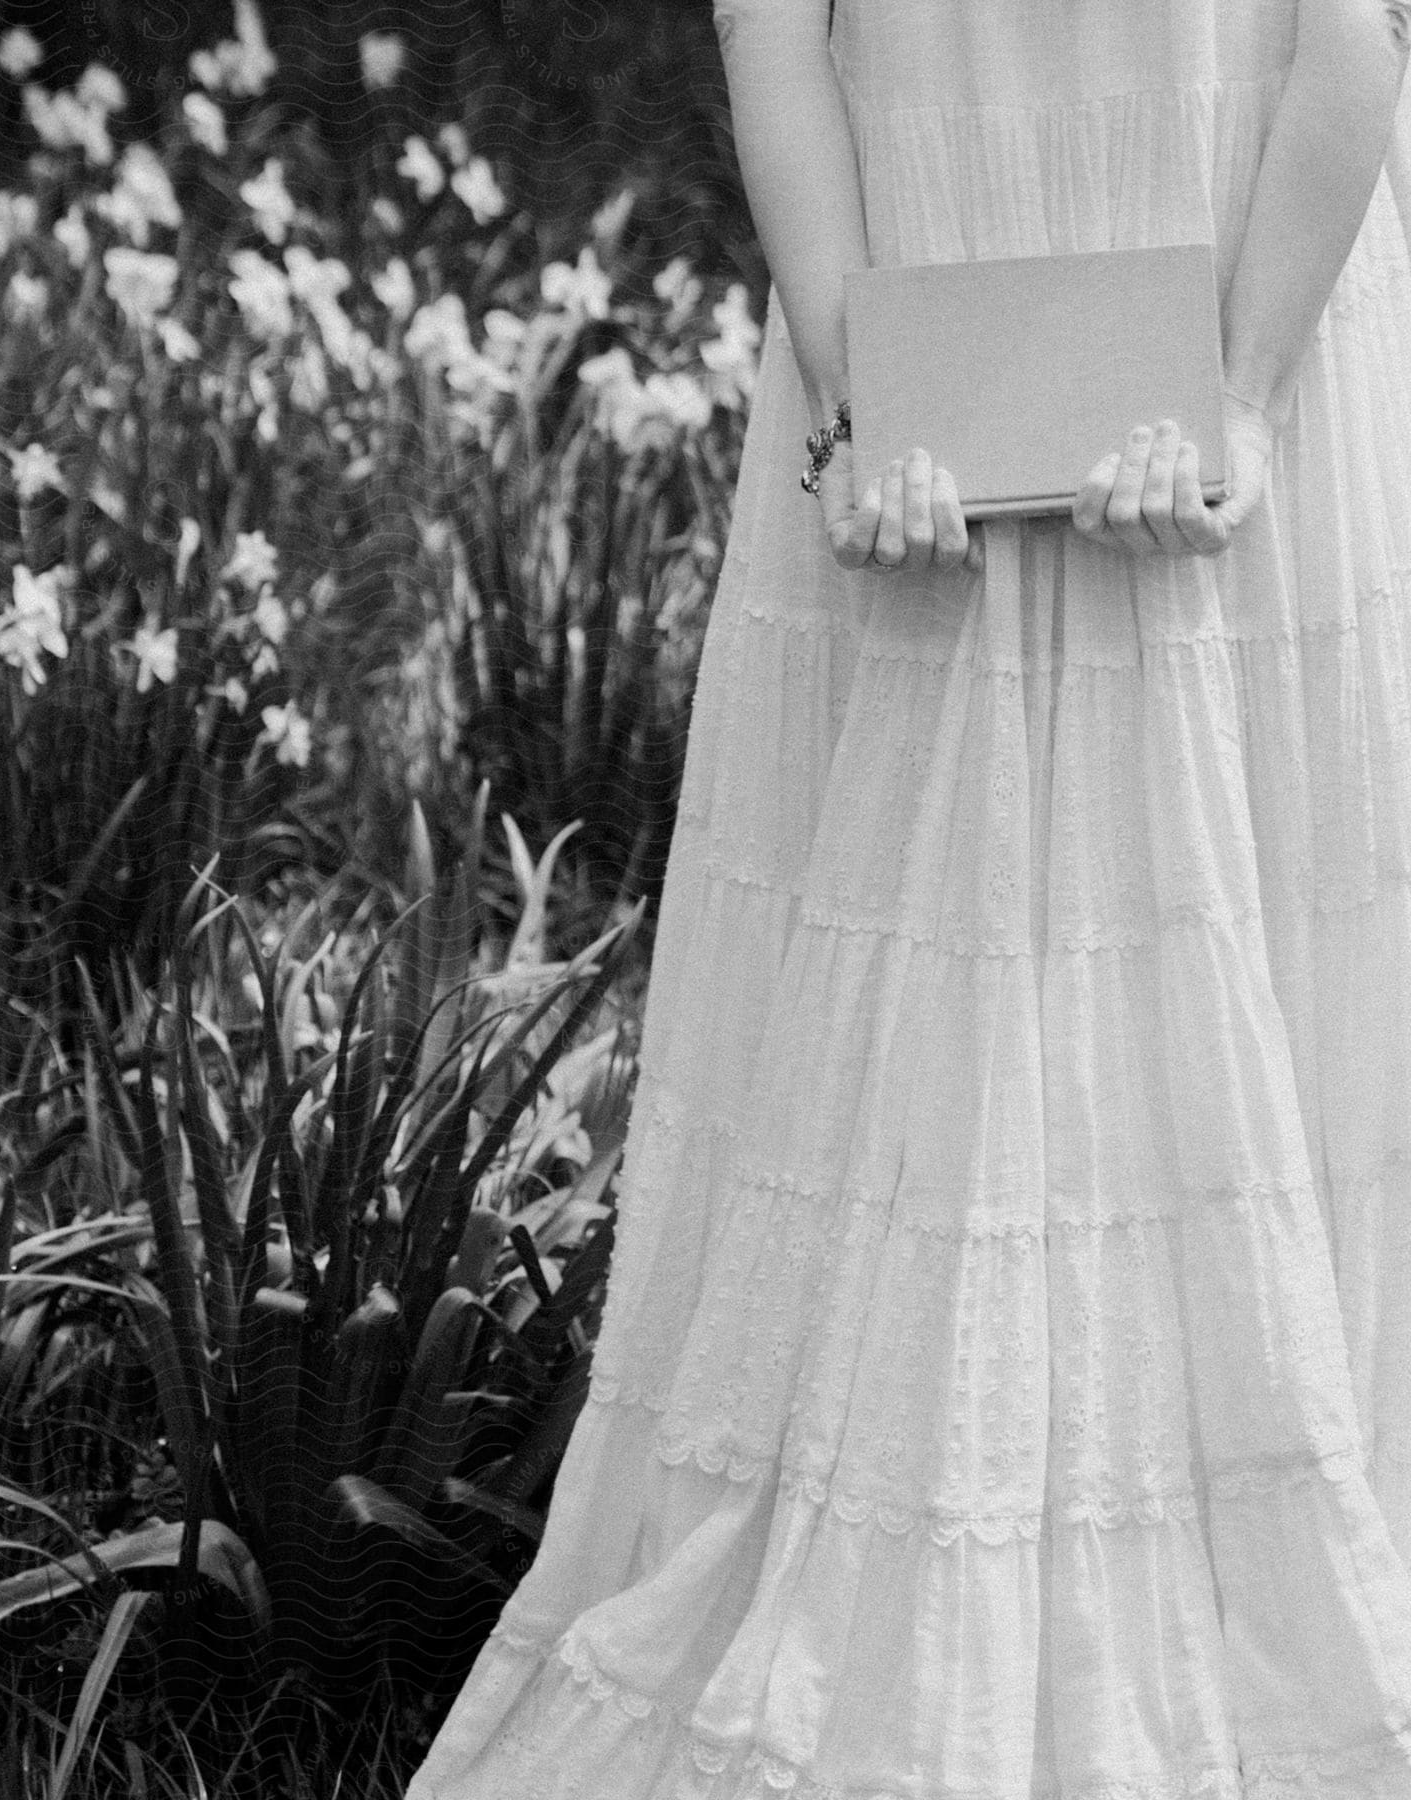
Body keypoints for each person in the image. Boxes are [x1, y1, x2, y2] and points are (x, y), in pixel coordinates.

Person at [405, 2, 1411, 1794]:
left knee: (1261, 942)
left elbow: (1350, 31)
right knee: (923, 1008)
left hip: (1257, 271)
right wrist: (866, 386)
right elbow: (774, 29)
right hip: (922, 307)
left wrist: (1240, 397)